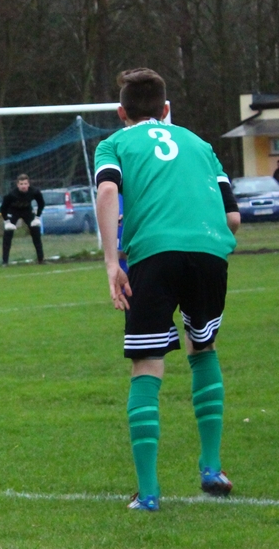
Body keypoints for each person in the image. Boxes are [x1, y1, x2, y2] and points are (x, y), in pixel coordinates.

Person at [94, 68, 241, 512]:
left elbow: (106, 192)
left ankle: (150, 494)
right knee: (204, 346)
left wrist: (111, 262)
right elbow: (233, 218)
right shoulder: (200, 145)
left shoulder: (115, 144)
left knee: (147, 365)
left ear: (122, 112)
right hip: (210, 250)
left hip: (154, 254)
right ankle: (212, 468)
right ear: (167, 109)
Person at [0, 174, 45, 265]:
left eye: (25, 183)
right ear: (17, 185)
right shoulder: (11, 195)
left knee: (35, 231)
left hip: (27, 210)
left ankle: (41, 259)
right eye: (21, 184)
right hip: (13, 211)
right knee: (8, 234)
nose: (23, 186)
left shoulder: (34, 192)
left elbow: (41, 203)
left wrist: (37, 217)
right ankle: (5, 262)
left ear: (28, 184)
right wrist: (7, 221)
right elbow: (3, 208)